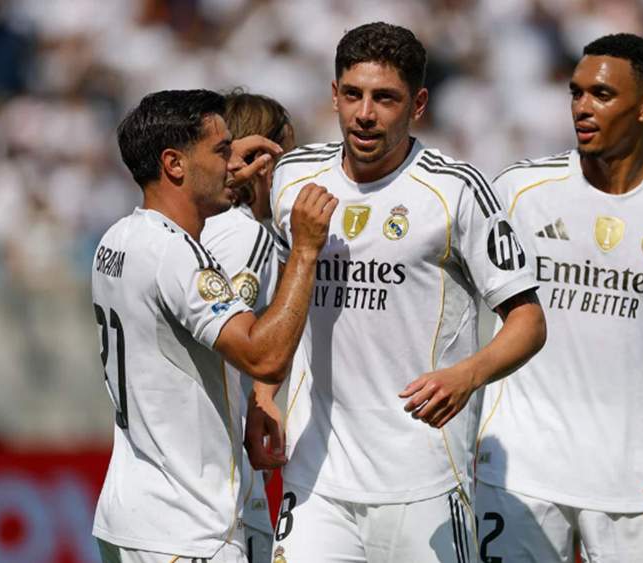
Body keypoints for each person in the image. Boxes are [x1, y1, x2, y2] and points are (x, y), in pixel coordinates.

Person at [246, 23, 547, 563]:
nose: (366, 114)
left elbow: (528, 320)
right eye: (354, 95)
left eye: (386, 98)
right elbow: (280, 294)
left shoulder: (455, 191)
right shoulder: (292, 179)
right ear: (334, 95)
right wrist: (264, 393)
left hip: (424, 477)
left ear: (418, 104)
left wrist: (468, 375)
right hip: (318, 478)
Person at [474, 33, 643, 562]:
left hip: (639, 487)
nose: (582, 107)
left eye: (601, 96)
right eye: (576, 93)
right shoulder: (516, 193)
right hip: (519, 478)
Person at [91, 89, 337, 563]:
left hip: (131, 513)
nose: (233, 165)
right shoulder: (179, 255)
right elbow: (262, 354)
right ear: (175, 164)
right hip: (187, 526)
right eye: (222, 151)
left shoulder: (116, 239)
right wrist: (305, 250)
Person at [201, 90, 296, 563]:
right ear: (262, 161)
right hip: (220, 487)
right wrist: (262, 397)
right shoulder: (247, 235)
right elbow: (242, 347)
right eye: (288, 161)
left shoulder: (186, 227)